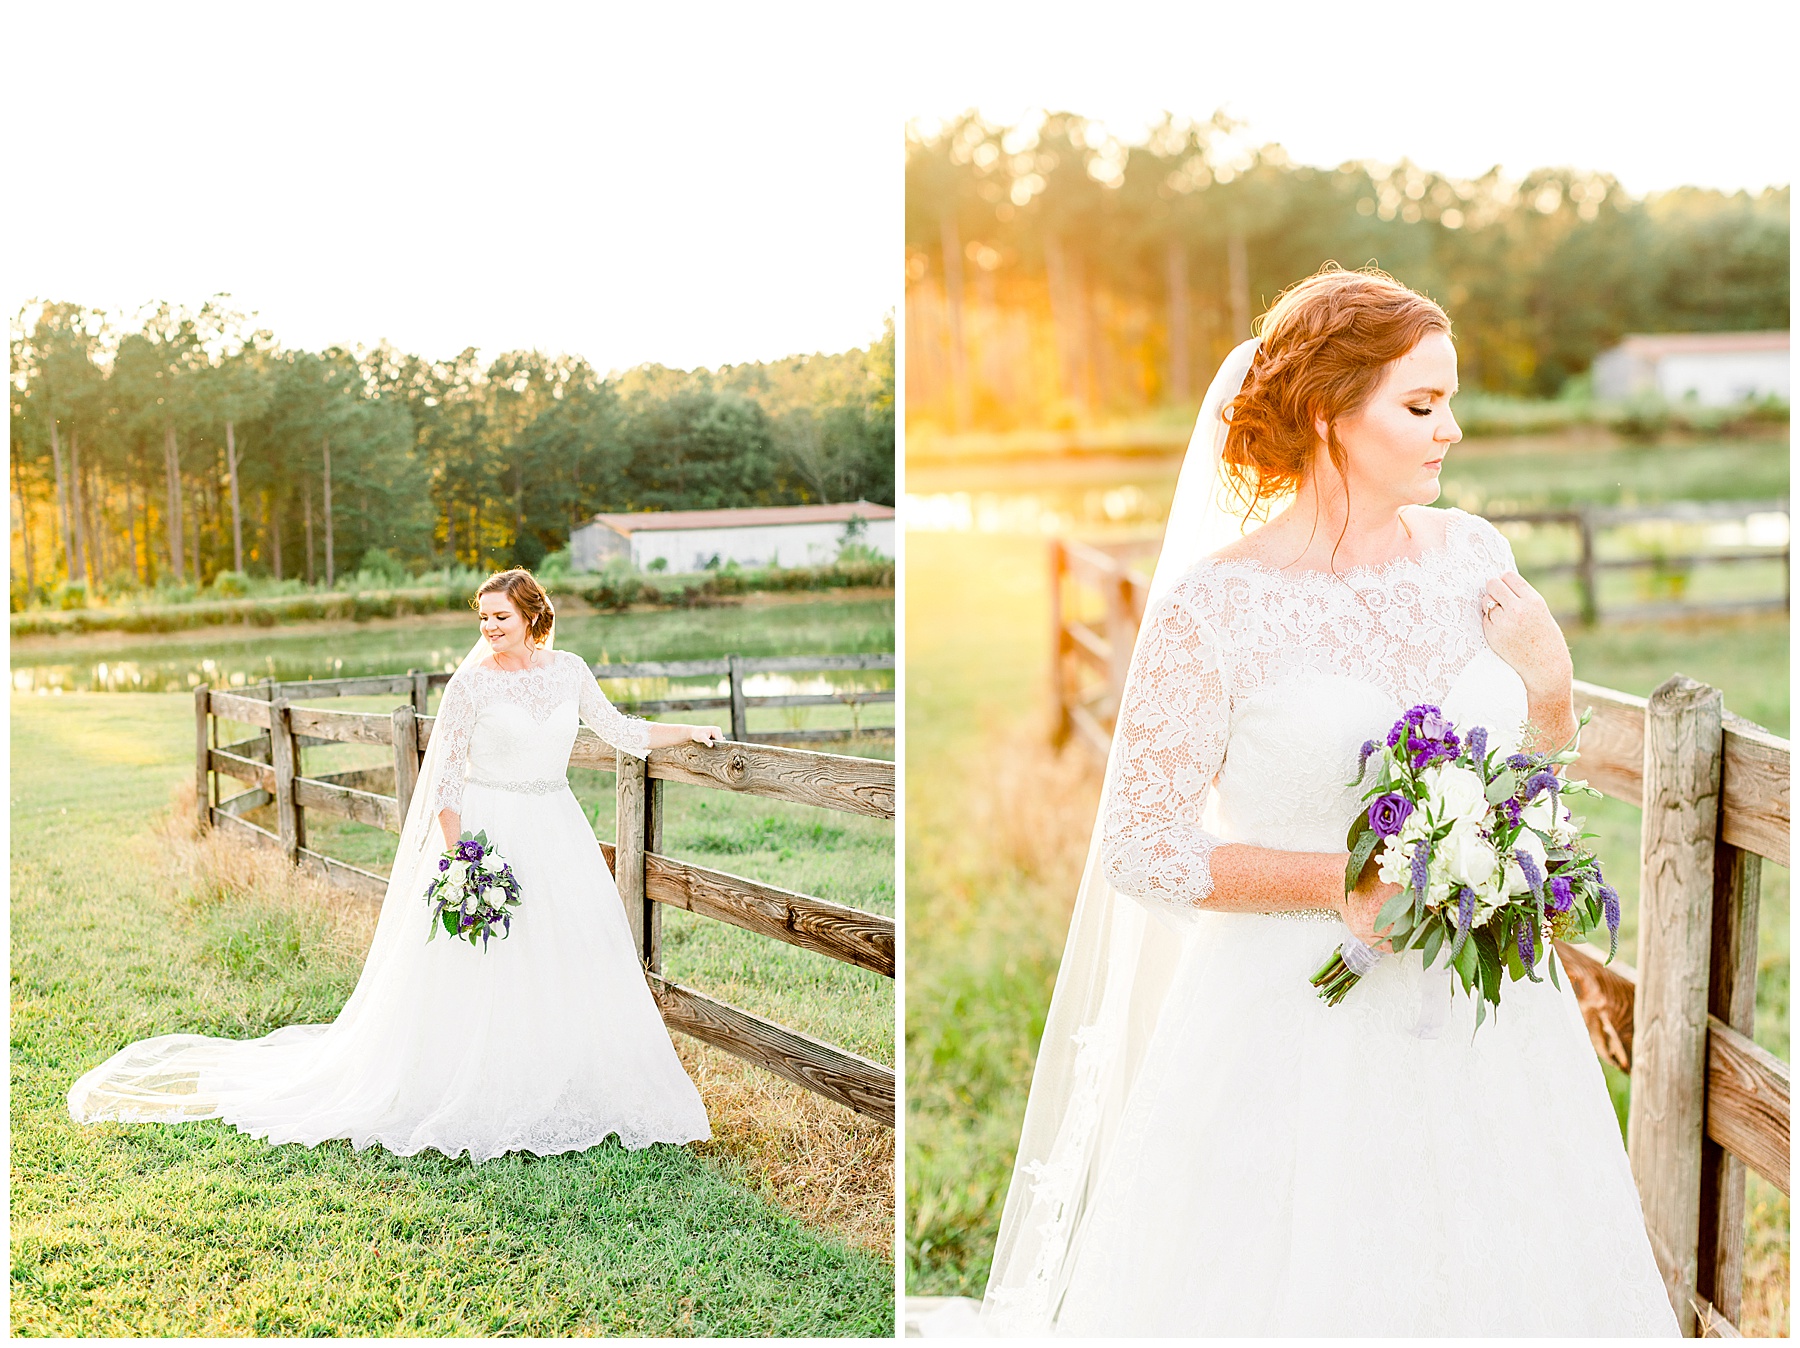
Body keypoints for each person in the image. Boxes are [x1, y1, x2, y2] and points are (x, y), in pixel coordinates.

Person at [971, 267, 1678, 1336]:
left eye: (1450, 402)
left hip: (1489, 1021)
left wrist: (1551, 689)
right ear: (1328, 415)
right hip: (1295, 1019)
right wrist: (1342, 885)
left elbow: (1525, 783)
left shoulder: (1476, 557)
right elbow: (1140, 847)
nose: (1451, 430)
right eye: (1422, 404)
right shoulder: (1216, 608)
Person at [69, 569, 719, 1163]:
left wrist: (691, 734)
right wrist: (464, 860)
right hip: (488, 835)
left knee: (568, 948)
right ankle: (479, 1081)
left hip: (556, 830)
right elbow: (447, 784)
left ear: (531, 616)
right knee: (482, 962)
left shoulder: (569, 671)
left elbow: (622, 730)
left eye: (501, 616)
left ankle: (567, 1077)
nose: (490, 628)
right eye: (482, 618)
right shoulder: (469, 685)